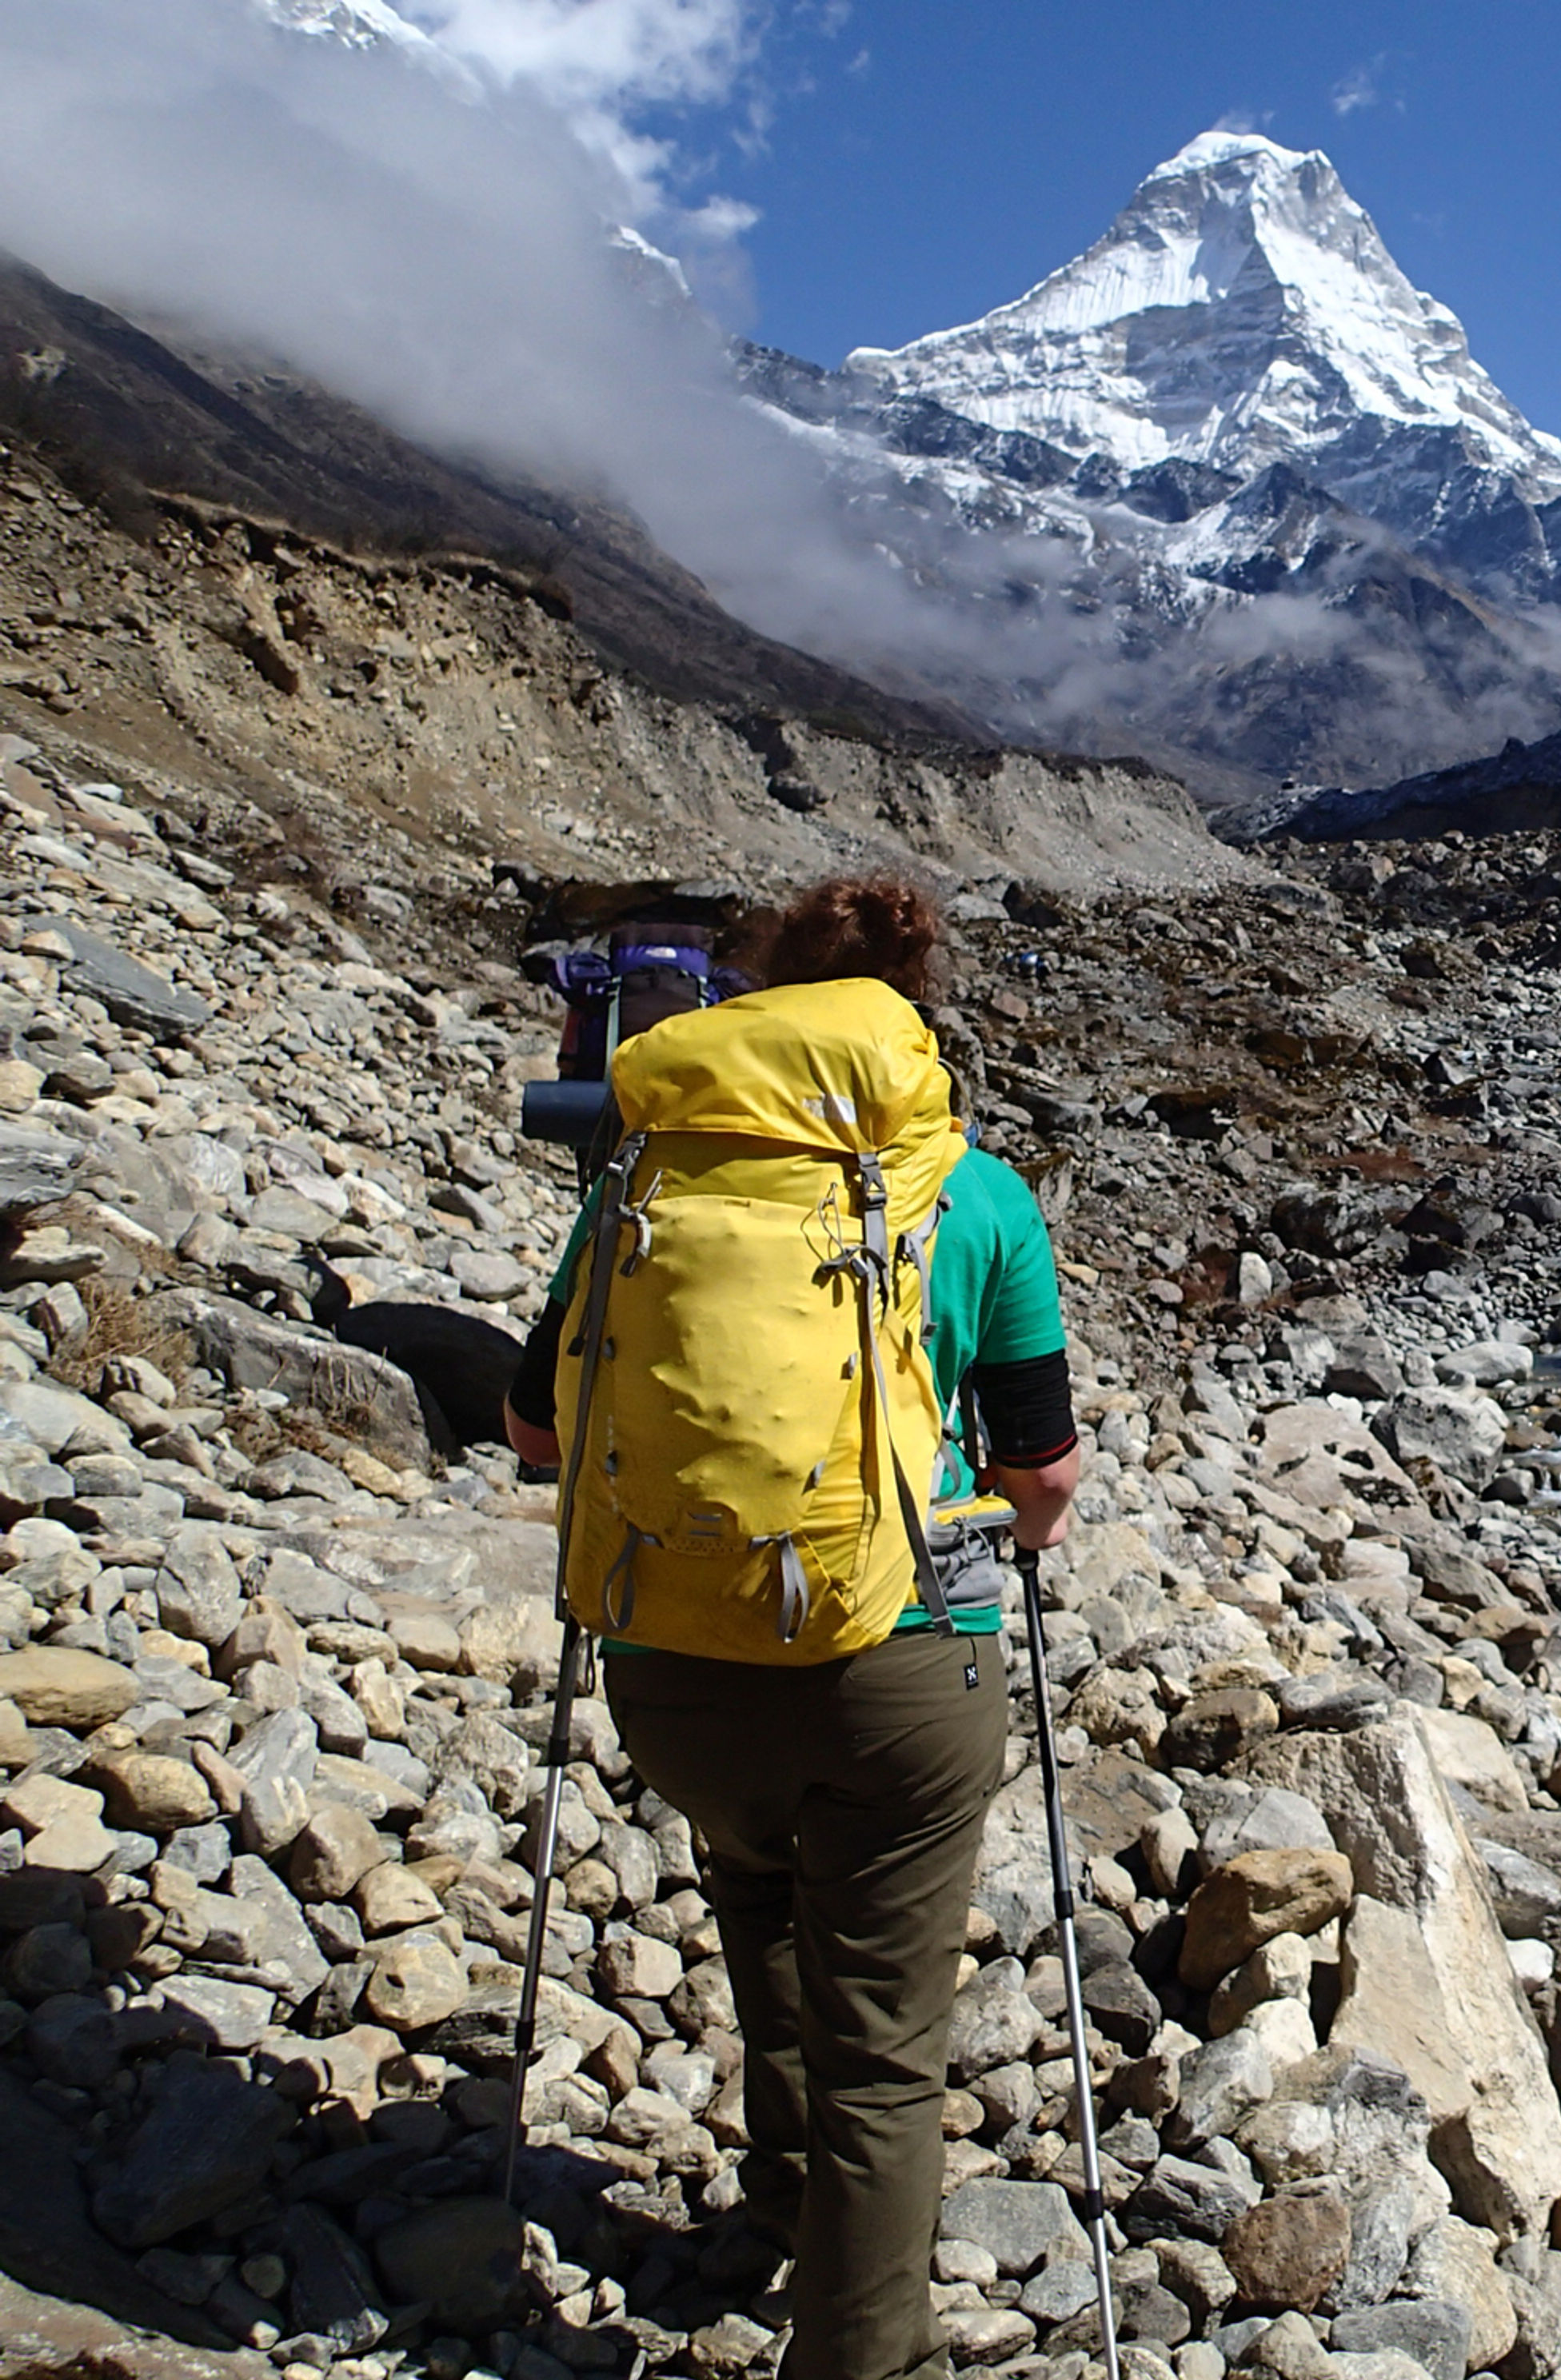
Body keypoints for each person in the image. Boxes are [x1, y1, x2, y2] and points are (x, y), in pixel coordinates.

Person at [505, 875, 1077, 2380]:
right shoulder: (976, 1188)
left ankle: (773, 2201)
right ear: (912, 1013)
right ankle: (858, 2357)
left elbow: (532, 1428)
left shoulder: (645, 1173)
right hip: (892, 1674)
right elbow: (1041, 1474)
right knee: (884, 2054)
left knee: (757, 1892)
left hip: (676, 1671)